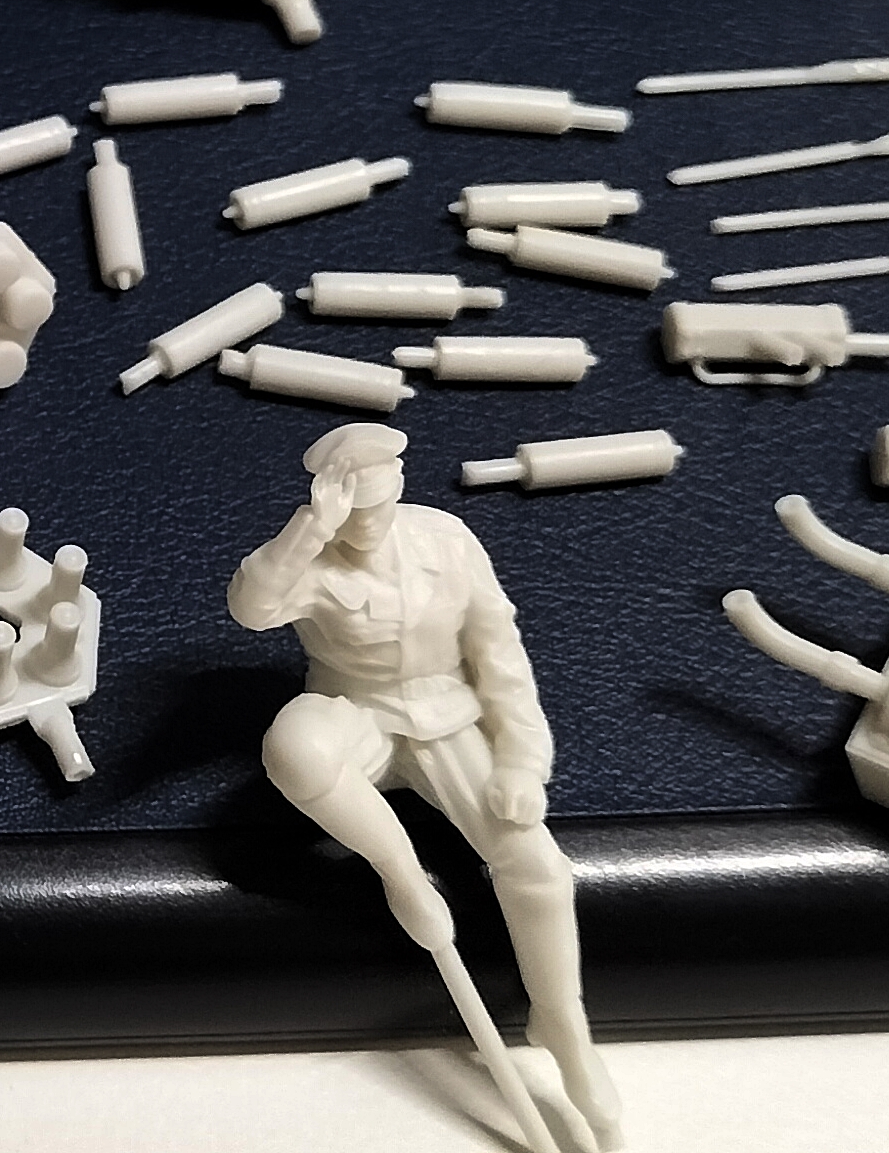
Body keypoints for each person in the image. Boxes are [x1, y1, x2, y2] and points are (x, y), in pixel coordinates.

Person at [230, 422, 620, 1150]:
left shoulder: (445, 539)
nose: (365, 525)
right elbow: (251, 607)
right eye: (351, 511)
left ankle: (563, 1026)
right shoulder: (310, 556)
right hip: (359, 715)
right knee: (294, 747)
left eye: (375, 507)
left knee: (535, 863)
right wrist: (308, 528)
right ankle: (400, 873)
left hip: (447, 716)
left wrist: (520, 759)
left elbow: (496, 649)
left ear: (399, 488)